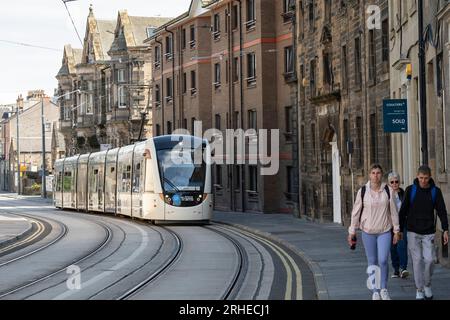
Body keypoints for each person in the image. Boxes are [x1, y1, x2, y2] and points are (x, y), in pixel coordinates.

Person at [348, 164, 400, 300]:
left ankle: (383, 288)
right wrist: (352, 230)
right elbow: (356, 212)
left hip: (384, 231)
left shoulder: (388, 190)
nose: (375, 175)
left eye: (378, 173)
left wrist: (396, 230)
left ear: (381, 175)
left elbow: (394, 212)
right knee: (372, 261)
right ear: (369, 175)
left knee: (383, 260)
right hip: (368, 231)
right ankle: (375, 291)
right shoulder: (363, 191)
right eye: (373, 173)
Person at [399, 165, 449, 300]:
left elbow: (442, 211)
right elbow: (403, 211)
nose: (423, 181)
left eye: (426, 178)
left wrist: (445, 229)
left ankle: (427, 284)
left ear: (430, 177)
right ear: (417, 176)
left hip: (429, 232)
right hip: (412, 231)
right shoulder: (411, 190)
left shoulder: (435, 192)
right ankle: (419, 289)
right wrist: (399, 230)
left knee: (430, 260)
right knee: (417, 261)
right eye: (421, 178)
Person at [388, 172, 409, 279]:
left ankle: (403, 268)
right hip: (390, 225)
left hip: (402, 224)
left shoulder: (404, 193)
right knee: (393, 248)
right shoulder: (386, 194)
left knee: (402, 245)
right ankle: (396, 269)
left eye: (396, 181)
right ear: (389, 183)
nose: (395, 184)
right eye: (392, 182)